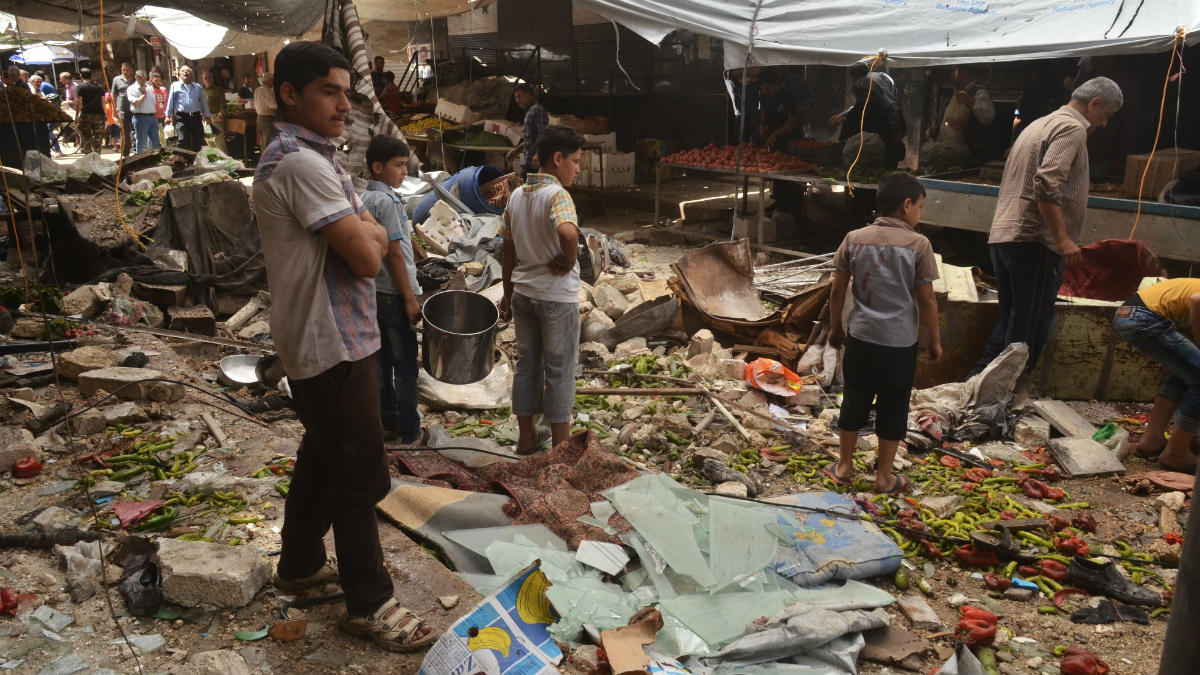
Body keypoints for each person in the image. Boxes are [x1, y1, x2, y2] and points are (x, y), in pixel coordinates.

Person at [253, 40, 435, 653]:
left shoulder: (311, 157)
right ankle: (370, 602)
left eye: (346, 92)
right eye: (329, 91)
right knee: (361, 473)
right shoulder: (301, 165)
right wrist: (375, 233)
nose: (343, 104)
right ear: (289, 95)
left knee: (322, 455)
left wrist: (371, 229)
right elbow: (364, 256)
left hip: (325, 336)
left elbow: (367, 235)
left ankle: (300, 565)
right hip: (331, 339)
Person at [971, 77, 1123, 376]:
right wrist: (1063, 239)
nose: (1104, 124)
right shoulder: (1072, 127)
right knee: (1026, 335)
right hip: (1034, 241)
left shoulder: (1038, 124)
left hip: (1006, 235)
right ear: (1094, 104)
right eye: (1106, 115)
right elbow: (1046, 183)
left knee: (1011, 325)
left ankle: (972, 391)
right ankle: (999, 402)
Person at [825, 172, 941, 494]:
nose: (919, 212)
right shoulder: (919, 245)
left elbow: (837, 293)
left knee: (855, 399)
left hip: (861, 338)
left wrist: (836, 330)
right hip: (899, 344)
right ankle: (884, 477)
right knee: (893, 405)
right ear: (906, 205)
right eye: (919, 206)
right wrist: (934, 341)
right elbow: (927, 299)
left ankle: (844, 467)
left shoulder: (854, 238)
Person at [499, 125, 584, 455]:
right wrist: (568, 257)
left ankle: (526, 437)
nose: (577, 169)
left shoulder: (518, 195)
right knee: (560, 370)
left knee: (527, 364)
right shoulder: (558, 195)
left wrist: (507, 294)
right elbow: (568, 233)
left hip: (523, 295)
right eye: (575, 161)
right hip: (555, 298)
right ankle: (561, 447)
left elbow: (507, 249)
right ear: (558, 158)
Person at [362, 135, 425, 446]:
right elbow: (396, 255)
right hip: (395, 295)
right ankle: (411, 431)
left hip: (374, 293)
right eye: (398, 166)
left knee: (382, 363)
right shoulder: (387, 202)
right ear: (377, 167)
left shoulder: (364, 199)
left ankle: (388, 423)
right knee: (405, 366)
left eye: (405, 165)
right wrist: (411, 298)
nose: (404, 172)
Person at [1113, 278, 1200, 473]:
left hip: (1127, 313)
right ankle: (1175, 454)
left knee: (1186, 373)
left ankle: (1151, 440)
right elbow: (1197, 300)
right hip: (1144, 317)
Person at [830, 61, 907, 168]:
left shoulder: (865, 91)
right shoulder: (881, 84)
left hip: (869, 155)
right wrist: (844, 115)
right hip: (891, 139)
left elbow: (844, 136)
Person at [506, 83, 549, 180]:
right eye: (516, 98)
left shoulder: (537, 110)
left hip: (534, 164)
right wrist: (516, 150)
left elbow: (544, 135)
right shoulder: (530, 112)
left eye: (519, 96)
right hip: (529, 162)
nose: (517, 101)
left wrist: (538, 155)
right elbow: (530, 139)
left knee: (530, 192)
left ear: (529, 94)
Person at [166, 66, 213, 152]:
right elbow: (170, 101)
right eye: (183, 71)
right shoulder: (174, 86)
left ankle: (198, 161)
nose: (185, 72)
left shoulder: (197, 87)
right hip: (182, 117)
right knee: (183, 141)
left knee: (198, 141)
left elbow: (203, 102)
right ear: (180, 74)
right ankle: (187, 161)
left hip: (195, 117)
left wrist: (207, 115)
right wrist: (168, 115)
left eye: (188, 71)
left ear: (192, 74)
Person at [126, 70, 160, 154]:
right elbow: (136, 103)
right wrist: (144, 94)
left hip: (152, 117)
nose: (143, 80)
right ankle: (139, 162)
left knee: (156, 142)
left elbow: (154, 102)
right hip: (141, 117)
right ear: (136, 77)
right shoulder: (131, 89)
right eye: (141, 78)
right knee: (141, 143)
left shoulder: (148, 87)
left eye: (145, 78)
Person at [73, 68, 105, 155]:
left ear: (81, 76)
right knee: (98, 136)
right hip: (99, 114)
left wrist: (76, 115)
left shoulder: (80, 86)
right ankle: (97, 154)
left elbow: (80, 103)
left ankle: (88, 155)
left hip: (86, 114)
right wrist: (104, 115)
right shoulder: (99, 87)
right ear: (91, 75)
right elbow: (103, 103)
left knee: (86, 136)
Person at [29, 74, 63, 155]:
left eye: (40, 82)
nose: (39, 84)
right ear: (32, 82)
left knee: (47, 131)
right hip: (36, 117)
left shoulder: (40, 90)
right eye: (37, 82)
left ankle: (54, 151)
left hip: (43, 116)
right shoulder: (30, 90)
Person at [111, 62, 135, 156]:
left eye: (127, 70)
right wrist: (114, 109)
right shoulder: (117, 80)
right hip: (122, 110)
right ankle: (125, 154)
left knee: (135, 131)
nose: (125, 72)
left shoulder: (135, 79)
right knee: (124, 132)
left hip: (134, 109)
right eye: (123, 70)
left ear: (131, 70)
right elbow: (114, 95)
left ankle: (136, 151)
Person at [201, 71, 227, 153]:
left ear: (213, 78)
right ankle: (214, 161)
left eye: (210, 77)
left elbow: (222, 104)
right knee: (209, 141)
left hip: (216, 117)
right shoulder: (201, 91)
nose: (208, 79)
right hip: (206, 119)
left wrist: (221, 114)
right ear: (203, 80)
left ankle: (225, 161)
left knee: (218, 141)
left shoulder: (218, 89)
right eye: (205, 78)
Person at [254, 72, 278, 150]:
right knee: (268, 143)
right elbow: (274, 105)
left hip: (260, 118)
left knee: (263, 143)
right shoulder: (266, 90)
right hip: (267, 119)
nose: (274, 83)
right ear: (269, 81)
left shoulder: (257, 89)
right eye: (273, 80)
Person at [150, 71, 169, 146]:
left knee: (166, 138)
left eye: (159, 80)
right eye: (156, 81)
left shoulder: (164, 89)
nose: (158, 83)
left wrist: (169, 115)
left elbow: (167, 102)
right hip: (154, 118)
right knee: (156, 139)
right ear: (151, 80)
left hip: (164, 118)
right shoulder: (149, 91)